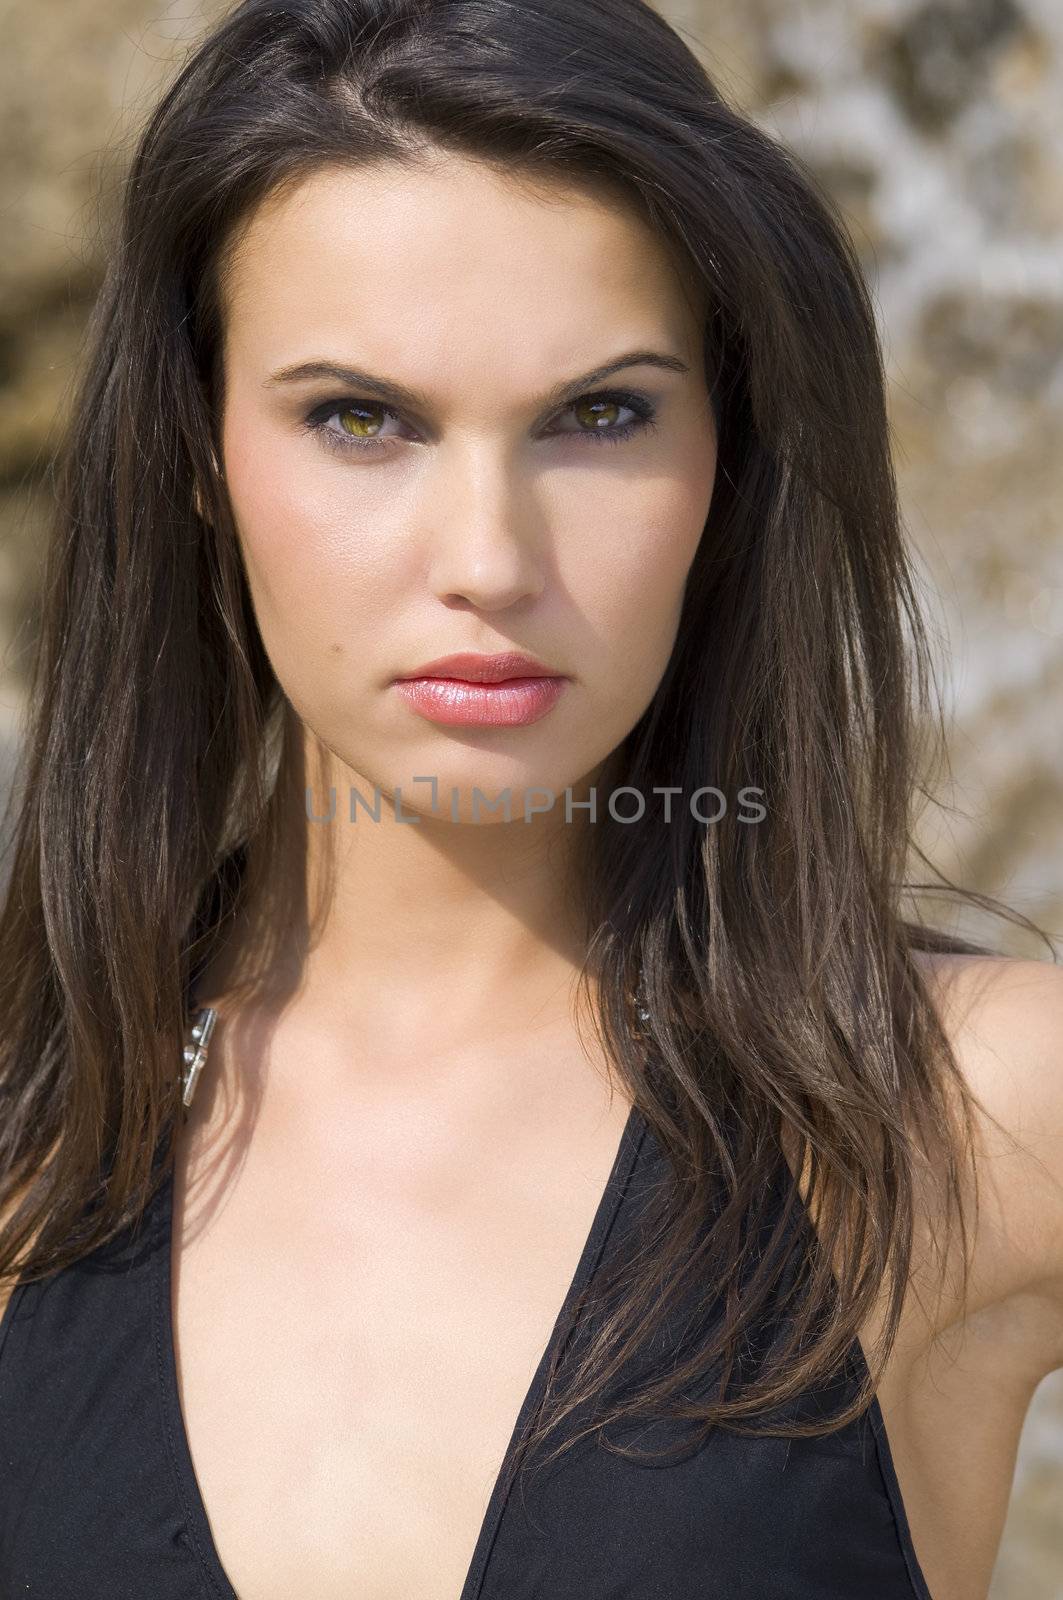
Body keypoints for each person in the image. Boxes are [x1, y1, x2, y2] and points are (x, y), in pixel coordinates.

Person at [0, 1, 1060, 1596]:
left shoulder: (975, 1112)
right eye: (360, 419)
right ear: (199, 458)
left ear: (731, 452)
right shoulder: (30, 1120)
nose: (488, 560)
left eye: (601, 415)